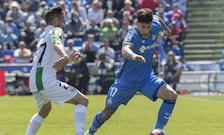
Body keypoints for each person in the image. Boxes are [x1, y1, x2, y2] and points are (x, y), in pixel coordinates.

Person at [85, 8, 177, 135]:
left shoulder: (154, 25)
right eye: (143, 26)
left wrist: (166, 29)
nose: (145, 30)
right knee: (107, 113)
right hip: (126, 81)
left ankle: (157, 130)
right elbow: (125, 50)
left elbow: (157, 18)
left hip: (146, 78)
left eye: (148, 27)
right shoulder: (132, 34)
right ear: (137, 23)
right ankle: (89, 133)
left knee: (171, 95)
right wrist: (134, 56)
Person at [26, 6, 89, 135]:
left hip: (34, 79)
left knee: (45, 110)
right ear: (56, 20)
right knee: (83, 101)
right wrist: (65, 56)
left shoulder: (43, 35)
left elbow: (48, 60)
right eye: (63, 20)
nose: (64, 24)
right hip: (45, 80)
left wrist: (68, 60)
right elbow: (57, 44)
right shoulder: (56, 30)